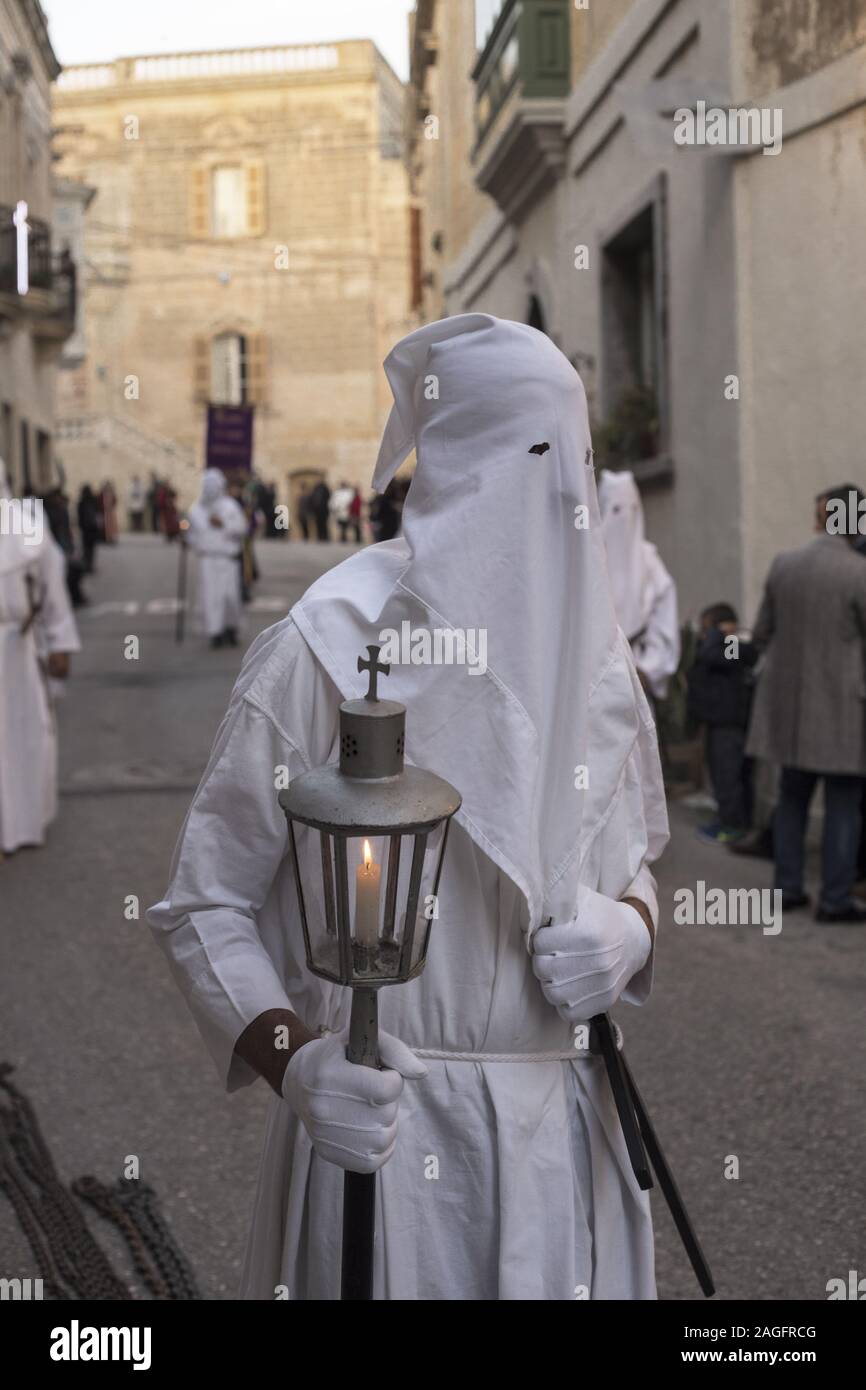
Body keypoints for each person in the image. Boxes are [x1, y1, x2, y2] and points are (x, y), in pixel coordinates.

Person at [148, 314, 668, 1300]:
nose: (556, 488)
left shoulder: (598, 654)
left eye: (572, 454)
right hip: (385, 1133)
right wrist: (295, 1063)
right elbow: (202, 902)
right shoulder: (328, 642)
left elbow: (632, 854)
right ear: (456, 457)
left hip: (563, 1132)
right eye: (528, 451)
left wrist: (629, 929)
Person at [746, 484, 866, 922]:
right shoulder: (859, 573)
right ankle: (834, 899)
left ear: (819, 518)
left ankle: (787, 887)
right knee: (842, 804)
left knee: (792, 797)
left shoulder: (784, 565)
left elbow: (760, 634)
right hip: (844, 708)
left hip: (789, 705)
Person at [0, 458, 80, 855]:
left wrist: (60, 643)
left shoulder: (28, 529)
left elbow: (53, 592)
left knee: (24, 737)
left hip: (16, 649)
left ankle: (23, 823)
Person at [597, 470, 680, 701]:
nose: (624, 519)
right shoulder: (588, 559)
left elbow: (664, 624)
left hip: (637, 681)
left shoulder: (650, 562)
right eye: (615, 510)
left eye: (631, 510)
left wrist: (647, 669)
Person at [687, 603, 758, 844]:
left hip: (730, 725)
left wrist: (721, 633)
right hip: (721, 721)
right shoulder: (726, 646)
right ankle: (733, 821)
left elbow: (712, 655)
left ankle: (733, 826)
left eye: (707, 627)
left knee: (728, 777)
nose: (703, 634)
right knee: (725, 776)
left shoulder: (733, 646)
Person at [186, 468, 247, 649]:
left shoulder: (230, 506)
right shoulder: (196, 510)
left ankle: (231, 628)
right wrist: (188, 541)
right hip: (208, 560)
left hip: (227, 559)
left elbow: (242, 529)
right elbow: (192, 535)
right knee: (211, 597)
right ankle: (215, 632)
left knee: (230, 596)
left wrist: (224, 525)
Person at [76, 484, 101, 574]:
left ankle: (87, 565)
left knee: (86, 548)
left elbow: (79, 517)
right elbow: (98, 514)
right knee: (91, 549)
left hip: (86, 529)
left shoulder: (82, 502)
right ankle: (90, 565)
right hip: (93, 529)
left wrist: (80, 526)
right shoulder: (93, 501)